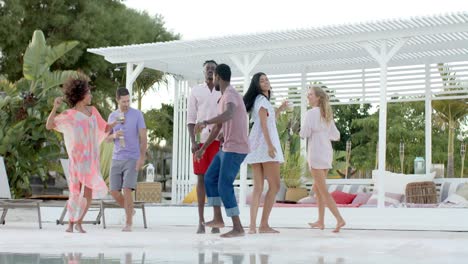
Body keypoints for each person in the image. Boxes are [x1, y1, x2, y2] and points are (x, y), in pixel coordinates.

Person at [46, 75, 117, 233]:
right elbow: (49, 125)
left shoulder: (93, 111)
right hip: (77, 159)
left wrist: (115, 123)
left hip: (91, 160)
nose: (91, 95)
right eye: (89, 93)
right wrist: (55, 108)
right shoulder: (69, 115)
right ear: (81, 94)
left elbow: (104, 128)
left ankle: (79, 222)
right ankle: (70, 223)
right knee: (75, 192)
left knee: (88, 192)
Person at [194, 63, 249, 238]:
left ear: (218, 77)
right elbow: (219, 127)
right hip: (226, 147)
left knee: (224, 185)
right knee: (210, 178)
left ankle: (238, 227)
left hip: (235, 148)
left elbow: (229, 114)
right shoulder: (224, 96)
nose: (212, 79)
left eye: (214, 77)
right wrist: (203, 149)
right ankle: (218, 218)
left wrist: (204, 122)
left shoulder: (230, 94)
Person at [243, 72, 288, 234]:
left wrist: (280, 109)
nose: (266, 82)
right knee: (275, 186)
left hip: (256, 147)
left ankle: (253, 227)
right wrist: (270, 146)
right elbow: (263, 124)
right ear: (257, 85)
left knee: (258, 187)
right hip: (265, 146)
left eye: (267, 79)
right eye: (262, 81)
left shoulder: (261, 101)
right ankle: (263, 225)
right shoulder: (262, 101)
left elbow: (268, 119)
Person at [299, 85, 346, 233]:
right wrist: (323, 132)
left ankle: (339, 219)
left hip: (316, 154)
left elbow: (304, 133)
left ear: (318, 97)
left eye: (311, 94)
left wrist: (299, 129)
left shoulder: (311, 113)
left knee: (323, 191)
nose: (308, 96)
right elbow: (336, 135)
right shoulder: (326, 114)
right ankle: (320, 221)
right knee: (319, 190)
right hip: (326, 153)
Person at [187, 60, 221, 234]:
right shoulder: (196, 91)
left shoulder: (222, 90)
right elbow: (191, 120)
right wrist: (193, 143)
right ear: (203, 72)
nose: (210, 71)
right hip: (200, 142)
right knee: (200, 179)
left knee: (214, 180)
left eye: (213, 69)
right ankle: (201, 221)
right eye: (208, 69)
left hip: (217, 141)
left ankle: (216, 221)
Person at [106, 87, 147, 232]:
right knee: (114, 191)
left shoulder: (137, 115)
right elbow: (106, 138)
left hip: (132, 157)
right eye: (123, 101)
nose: (126, 103)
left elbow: (143, 137)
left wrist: (141, 158)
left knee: (127, 188)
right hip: (117, 158)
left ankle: (128, 223)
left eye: (128, 100)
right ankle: (130, 210)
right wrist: (114, 136)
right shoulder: (112, 116)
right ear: (117, 100)